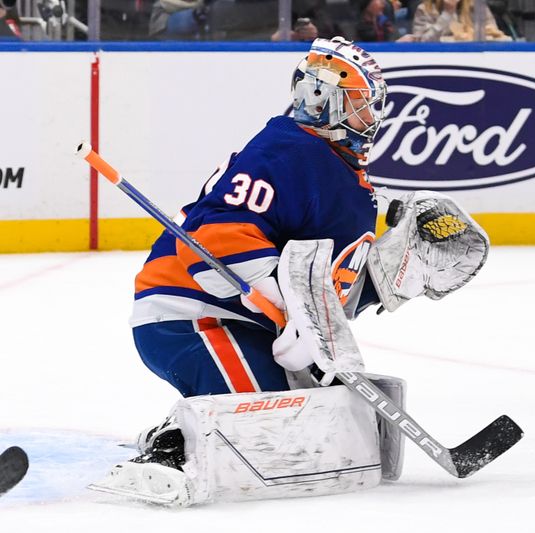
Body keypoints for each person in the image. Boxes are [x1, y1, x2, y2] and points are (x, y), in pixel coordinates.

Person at [91, 36, 489, 506]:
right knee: (264, 419)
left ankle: (186, 425)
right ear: (324, 100)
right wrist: (276, 296)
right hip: (192, 315)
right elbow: (218, 234)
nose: (371, 119)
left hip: (247, 326)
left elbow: (326, 288)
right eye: (361, 105)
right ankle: (171, 452)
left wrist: (392, 275)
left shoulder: (343, 180)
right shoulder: (288, 150)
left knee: (304, 414)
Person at [412, 0, 509, 42]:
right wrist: (447, 14)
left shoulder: (478, 8)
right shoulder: (424, 9)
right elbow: (421, 43)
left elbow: (495, 35)